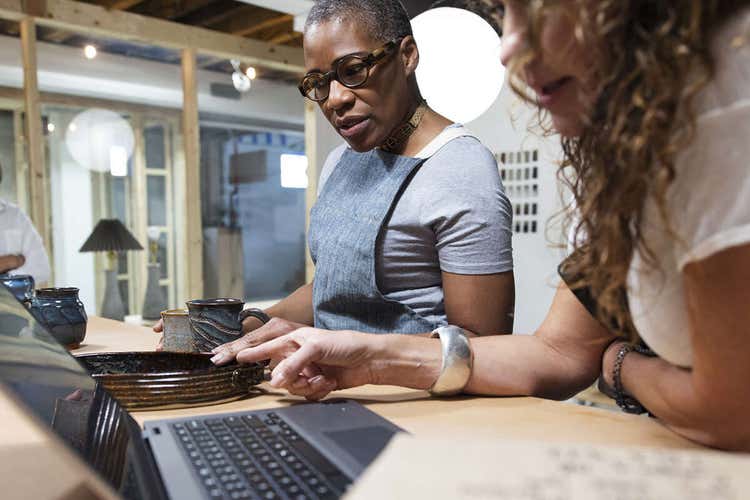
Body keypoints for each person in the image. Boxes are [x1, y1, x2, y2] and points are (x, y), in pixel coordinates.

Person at [227, 0, 750, 451]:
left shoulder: (722, 114)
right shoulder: (626, 162)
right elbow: (562, 351)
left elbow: (725, 407)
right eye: (319, 83)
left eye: (537, 9)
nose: (507, 48)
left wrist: (618, 365)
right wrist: (362, 356)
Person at [161, 0, 516, 351]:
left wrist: (345, 351)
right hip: (326, 388)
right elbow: (330, 289)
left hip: (416, 402)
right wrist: (242, 327)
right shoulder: (339, 162)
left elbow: (482, 342)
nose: (335, 99)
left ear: (407, 55)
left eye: (353, 70)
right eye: (319, 83)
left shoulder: (459, 166)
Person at [0, 162, 51, 284]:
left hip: (13, 303)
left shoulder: (15, 216)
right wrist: (15, 261)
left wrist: (6, 274)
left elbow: (42, 269)